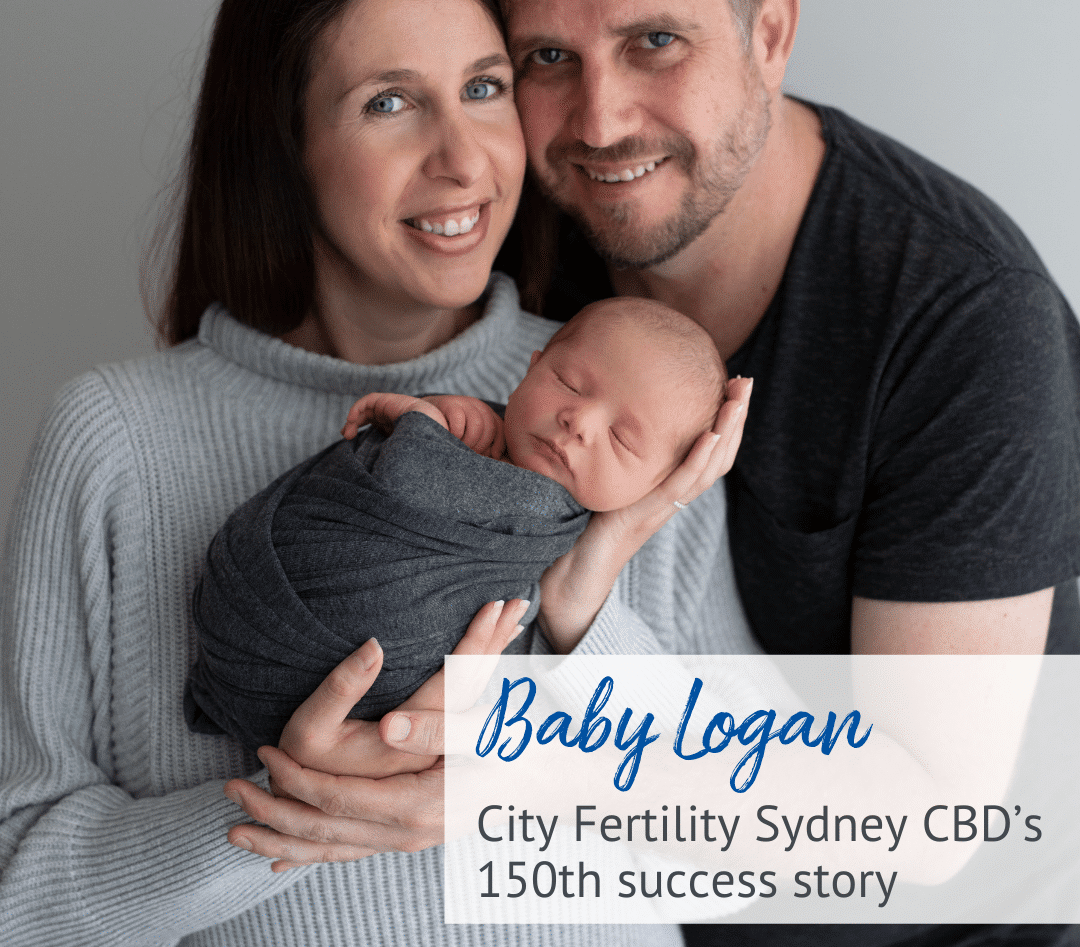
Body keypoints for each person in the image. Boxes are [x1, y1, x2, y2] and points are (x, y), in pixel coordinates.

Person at [0, 0, 754, 946]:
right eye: (391, 102)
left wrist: (584, 605)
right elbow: (17, 889)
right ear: (284, 143)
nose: (463, 158)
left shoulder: (633, 413)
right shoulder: (116, 440)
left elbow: (753, 839)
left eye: (485, 88)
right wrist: (288, 819)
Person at [467, 0, 1080, 945]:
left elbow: (927, 820)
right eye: (548, 58)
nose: (601, 121)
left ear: (771, 29)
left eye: (656, 42)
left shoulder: (960, 314)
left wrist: (486, 800)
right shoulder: (515, 239)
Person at [187, 296, 727, 752]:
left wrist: (585, 592)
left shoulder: (635, 534)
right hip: (255, 599)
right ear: (530, 366)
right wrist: (426, 425)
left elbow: (721, 768)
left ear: (658, 483)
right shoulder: (468, 422)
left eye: (622, 439)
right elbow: (405, 476)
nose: (580, 422)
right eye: (568, 383)